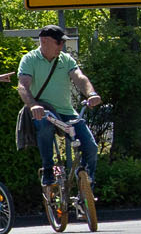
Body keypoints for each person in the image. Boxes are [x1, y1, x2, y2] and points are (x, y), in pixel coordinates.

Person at [17, 26, 102, 197]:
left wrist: (91, 93)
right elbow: (23, 86)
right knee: (44, 125)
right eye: (58, 42)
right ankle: (48, 170)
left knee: (91, 147)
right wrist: (33, 105)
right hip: (45, 111)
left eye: (63, 42)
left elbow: (80, 78)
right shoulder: (29, 59)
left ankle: (86, 184)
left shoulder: (66, 60)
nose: (61, 46)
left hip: (67, 112)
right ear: (44, 41)